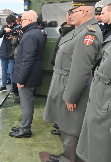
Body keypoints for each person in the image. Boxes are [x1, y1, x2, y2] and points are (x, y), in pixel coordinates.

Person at [43, 0, 102, 162]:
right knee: (64, 125)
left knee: (71, 129)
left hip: (70, 85)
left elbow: (81, 69)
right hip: (63, 82)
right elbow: (66, 42)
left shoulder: (88, 34)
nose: (70, 15)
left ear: (83, 12)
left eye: (73, 12)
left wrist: (71, 96)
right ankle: (65, 156)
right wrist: (70, 23)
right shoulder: (80, 30)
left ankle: (68, 159)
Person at [76, 3, 111, 162]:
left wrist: (96, 72)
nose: (101, 16)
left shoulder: (91, 32)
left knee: (99, 138)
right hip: (100, 91)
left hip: (104, 95)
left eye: (103, 13)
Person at [9, 10, 46, 138]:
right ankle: (24, 126)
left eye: (23, 20)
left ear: (30, 20)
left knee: (26, 104)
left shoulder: (30, 35)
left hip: (27, 77)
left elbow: (28, 60)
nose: (21, 22)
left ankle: (25, 130)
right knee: (26, 103)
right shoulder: (35, 32)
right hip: (30, 75)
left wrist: (21, 80)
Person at [0, 14, 17, 93]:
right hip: (4, 52)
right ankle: (3, 86)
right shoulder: (5, 27)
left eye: (11, 24)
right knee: (4, 70)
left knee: (12, 72)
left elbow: (20, 39)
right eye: (8, 24)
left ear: (14, 22)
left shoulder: (17, 28)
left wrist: (13, 37)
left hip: (12, 53)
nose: (9, 25)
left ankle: (12, 88)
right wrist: (4, 29)